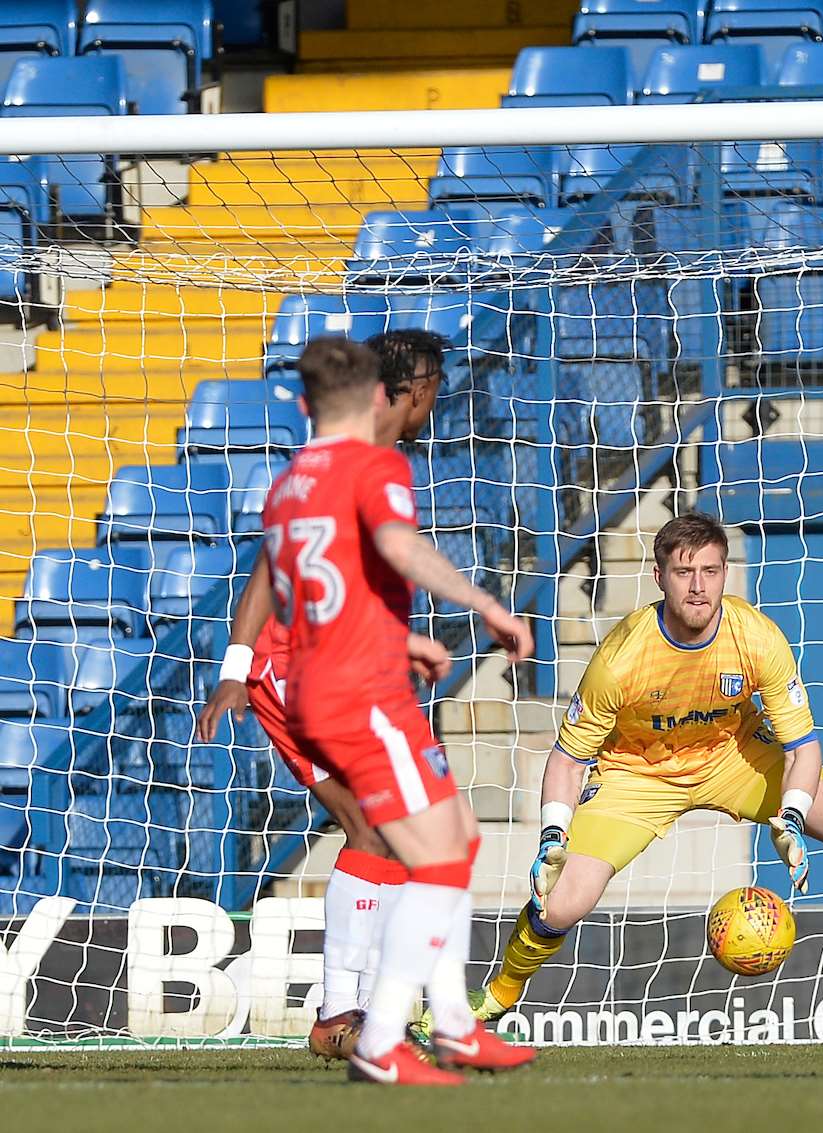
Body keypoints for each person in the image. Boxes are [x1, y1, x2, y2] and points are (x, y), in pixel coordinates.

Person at [427, 511, 823, 1033]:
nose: (699, 585)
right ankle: (497, 998)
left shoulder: (755, 637)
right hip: (638, 774)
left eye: (711, 570)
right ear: (659, 578)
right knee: (561, 903)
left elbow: (803, 747)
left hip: (732, 753)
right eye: (685, 572)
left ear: (725, 574)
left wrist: (792, 815)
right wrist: (554, 832)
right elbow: (567, 756)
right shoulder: (620, 657)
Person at [262, 336, 534, 1085]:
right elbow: (398, 546)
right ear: (382, 397)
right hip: (360, 689)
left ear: (306, 402)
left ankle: (438, 1023)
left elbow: (305, 594)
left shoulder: (288, 487)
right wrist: (482, 602)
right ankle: (394, 1032)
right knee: (440, 854)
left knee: (454, 839)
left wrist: (398, 634)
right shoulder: (374, 466)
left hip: (328, 678)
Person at [196, 330, 462, 1060]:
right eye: (436, 384)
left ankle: (357, 1007)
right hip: (291, 668)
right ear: (412, 389)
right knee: (375, 826)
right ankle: (342, 1011)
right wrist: (236, 664)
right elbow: (265, 570)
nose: (440, 398)